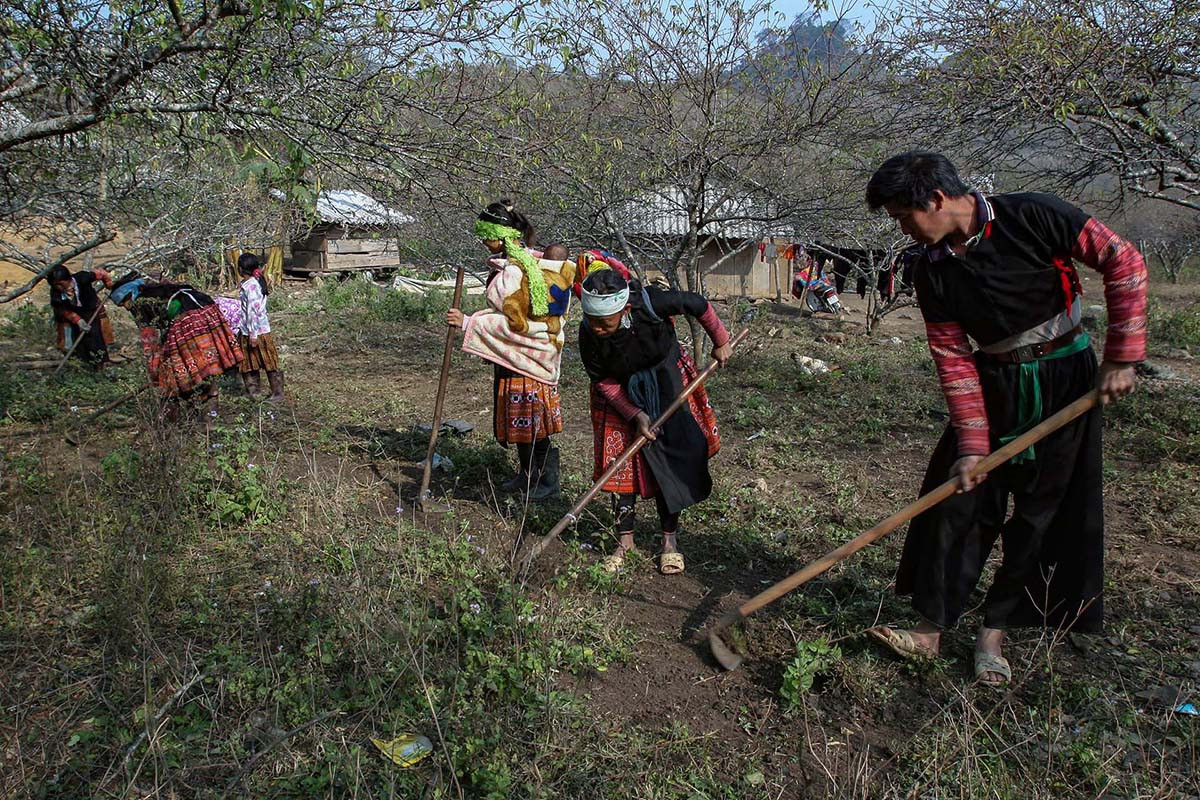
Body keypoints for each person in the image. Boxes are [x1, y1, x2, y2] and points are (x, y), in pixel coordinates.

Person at [863, 151, 1147, 686]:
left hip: (1066, 378)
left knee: (1041, 513)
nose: (903, 227)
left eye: (904, 215)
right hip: (995, 384)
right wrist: (972, 444)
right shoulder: (931, 267)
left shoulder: (1034, 215)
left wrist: (1122, 356)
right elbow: (951, 354)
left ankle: (993, 635)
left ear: (938, 199)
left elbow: (1122, 260)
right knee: (961, 501)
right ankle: (930, 629)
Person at [577, 267, 732, 575]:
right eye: (591, 321)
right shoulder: (588, 334)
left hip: (666, 382)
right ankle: (624, 542)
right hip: (619, 393)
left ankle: (670, 542)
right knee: (619, 464)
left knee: (670, 460)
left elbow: (697, 303)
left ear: (625, 310)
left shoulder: (651, 304)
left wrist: (721, 339)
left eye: (603, 322)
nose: (596, 328)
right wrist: (635, 414)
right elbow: (603, 379)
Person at [445, 201, 571, 502]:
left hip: (529, 356)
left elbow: (519, 324)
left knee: (533, 422)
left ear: (501, 235)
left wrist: (467, 323)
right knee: (521, 420)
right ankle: (527, 474)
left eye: (486, 236)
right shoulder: (513, 263)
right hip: (516, 357)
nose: (482, 242)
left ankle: (546, 479)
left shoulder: (519, 269)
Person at [110, 277, 243, 423]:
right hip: (208, 312)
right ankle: (208, 415)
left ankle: (195, 418)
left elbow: (150, 340)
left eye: (124, 302)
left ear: (130, 294)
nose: (125, 306)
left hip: (189, 321)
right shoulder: (159, 291)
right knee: (206, 369)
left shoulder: (140, 304)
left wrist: (154, 370)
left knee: (180, 374)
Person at [236, 253, 285, 401]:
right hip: (259, 330)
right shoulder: (256, 282)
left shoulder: (250, 287)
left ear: (240, 269)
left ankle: (269, 393)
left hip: (254, 331)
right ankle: (260, 393)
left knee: (253, 363)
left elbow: (252, 312)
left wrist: (252, 334)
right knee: (260, 362)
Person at [49, 265, 116, 368]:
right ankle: (82, 367)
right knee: (77, 343)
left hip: (91, 310)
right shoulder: (56, 293)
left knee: (95, 339)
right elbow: (61, 310)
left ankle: (101, 366)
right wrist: (78, 320)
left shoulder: (83, 278)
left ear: (69, 279)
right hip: (73, 315)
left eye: (61, 284)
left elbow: (101, 273)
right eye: (56, 285)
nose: (59, 288)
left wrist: (109, 284)